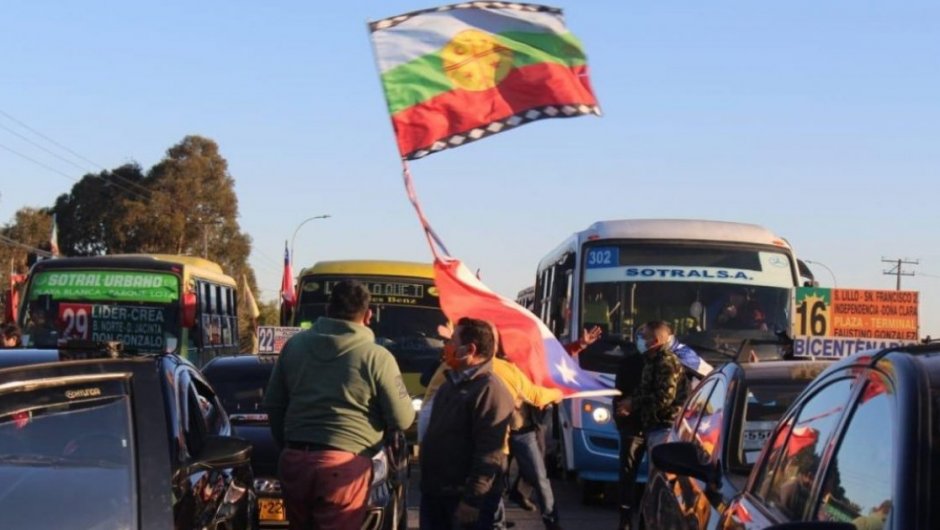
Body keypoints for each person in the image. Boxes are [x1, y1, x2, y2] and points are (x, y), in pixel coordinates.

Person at [263, 280, 415, 530]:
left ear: (327, 308)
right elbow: (402, 419)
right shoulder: (377, 357)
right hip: (344, 467)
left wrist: (291, 446)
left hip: (294, 463)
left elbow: (274, 405)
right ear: (369, 315)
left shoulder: (294, 347)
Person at [420, 317, 514, 530]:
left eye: (452, 341)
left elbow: (489, 453)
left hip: (462, 499)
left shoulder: (489, 391)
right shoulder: (450, 384)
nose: (446, 346)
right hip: (436, 494)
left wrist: (472, 500)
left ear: (469, 349)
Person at [618, 321, 689, 468]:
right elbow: (645, 389)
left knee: (660, 474)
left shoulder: (666, 362)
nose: (640, 339)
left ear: (655, 341)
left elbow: (664, 398)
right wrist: (628, 403)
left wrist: (633, 404)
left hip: (664, 427)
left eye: (644, 336)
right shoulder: (650, 360)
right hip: (652, 426)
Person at [613, 326, 648, 530]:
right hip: (632, 428)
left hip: (656, 428)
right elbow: (619, 394)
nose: (644, 341)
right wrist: (622, 421)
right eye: (641, 337)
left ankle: (647, 516)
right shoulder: (628, 364)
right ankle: (625, 518)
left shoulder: (668, 364)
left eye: (648, 337)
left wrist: (634, 403)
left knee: (658, 477)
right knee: (627, 473)